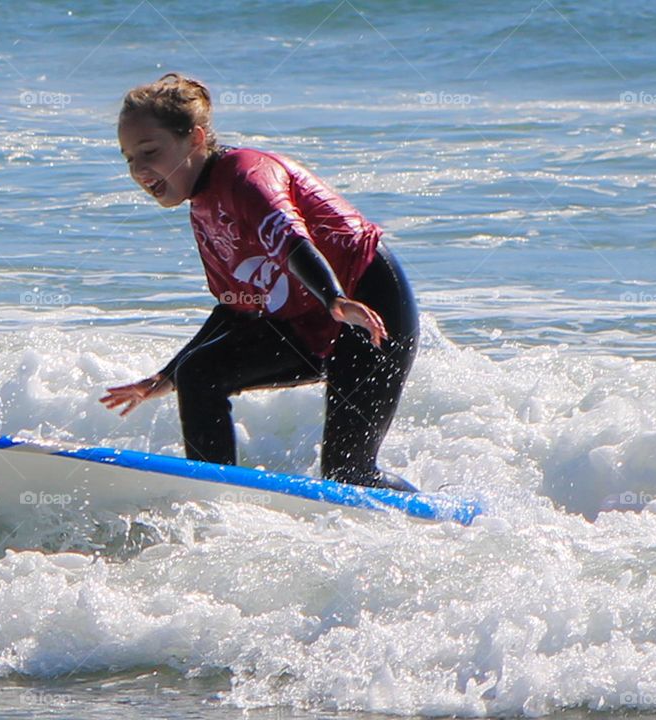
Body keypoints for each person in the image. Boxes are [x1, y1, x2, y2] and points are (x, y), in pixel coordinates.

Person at [99, 73, 418, 489]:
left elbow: (291, 241)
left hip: (369, 305)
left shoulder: (247, 175)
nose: (139, 169)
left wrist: (335, 300)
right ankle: (213, 498)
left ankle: (447, 523)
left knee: (349, 474)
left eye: (150, 151)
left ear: (195, 139)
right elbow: (235, 312)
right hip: (304, 322)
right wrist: (165, 376)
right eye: (128, 159)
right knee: (198, 373)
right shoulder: (203, 209)